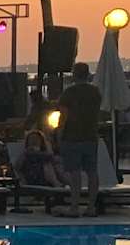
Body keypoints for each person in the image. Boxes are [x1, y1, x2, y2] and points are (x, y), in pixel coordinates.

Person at [56, 63, 105, 216]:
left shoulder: (69, 92)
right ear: (88, 74)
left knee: (74, 172)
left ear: (74, 74)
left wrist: (59, 133)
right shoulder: (95, 92)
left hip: (72, 137)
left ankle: (75, 206)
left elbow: (63, 116)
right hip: (91, 136)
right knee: (92, 172)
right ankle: (91, 207)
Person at [19, 112, 66, 188]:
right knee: (47, 165)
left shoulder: (45, 152)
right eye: (32, 139)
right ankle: (57, 183)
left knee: (57, 164)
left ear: (41, 142)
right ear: (28, 141)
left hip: (45, 177)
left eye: (37, 139)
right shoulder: (26, 153)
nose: (34, 141)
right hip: (33, 176)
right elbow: (17, 166)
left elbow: (52, 158)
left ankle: (68, 183)